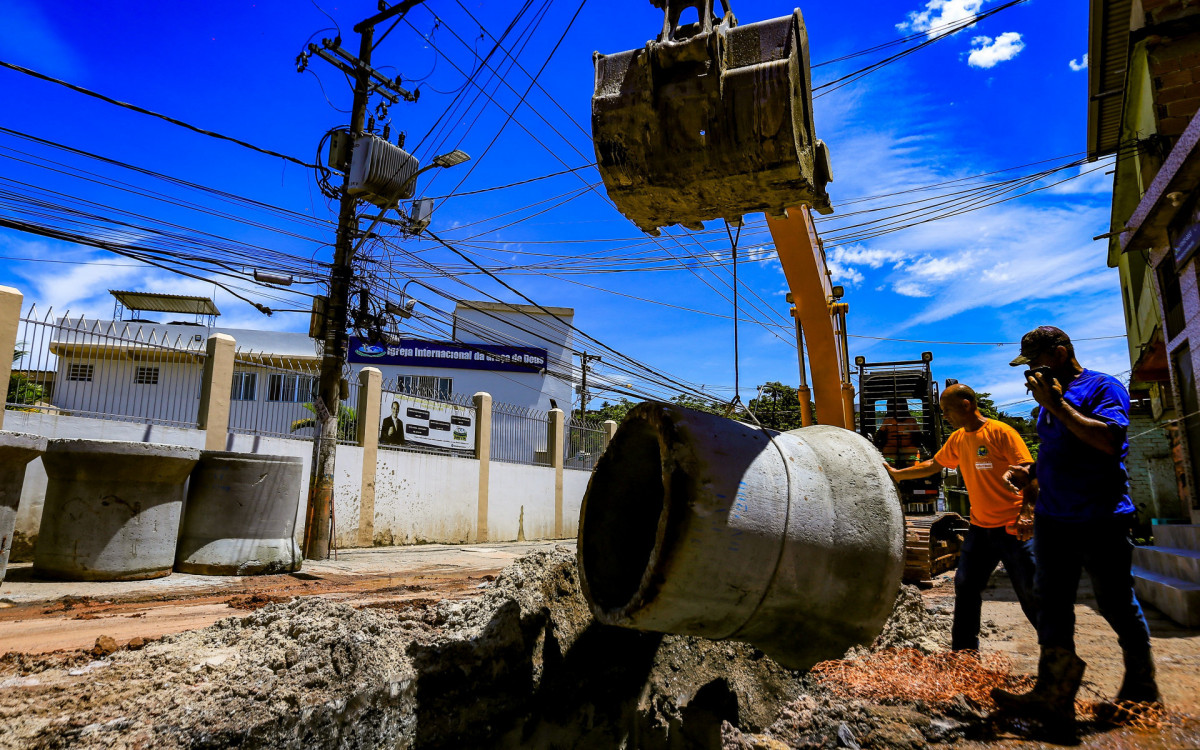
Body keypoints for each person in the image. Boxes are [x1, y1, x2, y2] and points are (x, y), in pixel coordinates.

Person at [992, 326, 1159, 737]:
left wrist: (1059, 404)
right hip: (1055, 519)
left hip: (1100, 517)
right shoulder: (1048, 404)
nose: (1030, 372)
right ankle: (1054, 694)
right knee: (1051, 602)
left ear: (1061, 353)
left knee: (1116, 602)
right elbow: (1060, 449)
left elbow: (1108, 442)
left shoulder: (1103, 387)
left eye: (1036, 362)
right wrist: (1029, 470)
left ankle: (1142, 691)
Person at [884, 384, 1038, 652]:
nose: (944, 416)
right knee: (965, 587)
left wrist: (1027, 513)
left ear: (966, 405)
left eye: (947, 410)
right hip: (980, 528)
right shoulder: (957, 439)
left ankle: (1058, 653)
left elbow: (1029, 472)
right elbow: (933, 464)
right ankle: (964, 654)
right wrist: (898, 474)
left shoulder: (1001, 432)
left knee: (1031, 593)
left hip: (1012, 527)